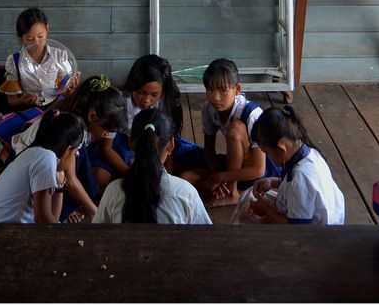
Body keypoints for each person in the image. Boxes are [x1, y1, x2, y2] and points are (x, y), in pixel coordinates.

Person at [0, 112, 94, 293]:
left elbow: (53, 217)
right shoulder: (44, 159)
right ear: (66, 150)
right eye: (76, 151)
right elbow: (44, 223)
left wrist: (60, 182)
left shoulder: (37, 154)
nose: (77, 155)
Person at [181, 58, 280, 206]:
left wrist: (221, 178)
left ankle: (233, 193)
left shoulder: (251, 114)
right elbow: (209, 149)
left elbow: (259, 169)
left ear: (237, 89)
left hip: (261, 175)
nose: (215, 97)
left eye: (223, 90)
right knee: (185, 178)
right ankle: (225, 189)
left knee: (235, 129)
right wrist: (215, 176)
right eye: (210, 89)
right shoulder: (209, 110)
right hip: (233, 169)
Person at [92, 109, 211, 224]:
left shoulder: (113, 191)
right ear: (170, 146)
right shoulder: (185, 193)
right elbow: (205, 236)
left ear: (131, 143)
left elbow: (97, 234)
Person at [247, 105, 345, 225]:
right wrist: (272, 182)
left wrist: (266, 210)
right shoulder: (309, 153)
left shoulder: (300, 179)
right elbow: (300, 187)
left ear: (281, 148)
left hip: (318, 236)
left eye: (267, 153)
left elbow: (295, 228)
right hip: (328, 218)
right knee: (248, 196)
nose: (268, 157)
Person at [108, 54, 203, 176]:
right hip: (128, 145)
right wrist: (129, 175)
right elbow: (107, 148)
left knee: (197, 157)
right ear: (133, 85)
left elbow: (168, 142)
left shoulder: (167, 102)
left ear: (163, 90)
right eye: (141, 92)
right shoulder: (120, 103)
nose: (146, 100)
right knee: (103, 174)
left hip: (160, 144)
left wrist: (168, 176)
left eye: (154, 95)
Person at [57, 74, 128, 192]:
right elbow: (70, 181)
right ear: (92, 116)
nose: (105, 136)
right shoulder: (73, 131)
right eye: (106, 131)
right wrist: (94, 210)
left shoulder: (79, 120)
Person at [2, 7, 80, 112]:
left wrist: (71, 90)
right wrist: (24, 100)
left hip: (55, 107)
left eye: (40, 36)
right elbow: (12, 101)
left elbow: (65, 92)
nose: (36, 43)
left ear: (47, 30)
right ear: (21, 37)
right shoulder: (15, 61)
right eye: (29, 39)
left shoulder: (59, 56)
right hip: (29, 110)